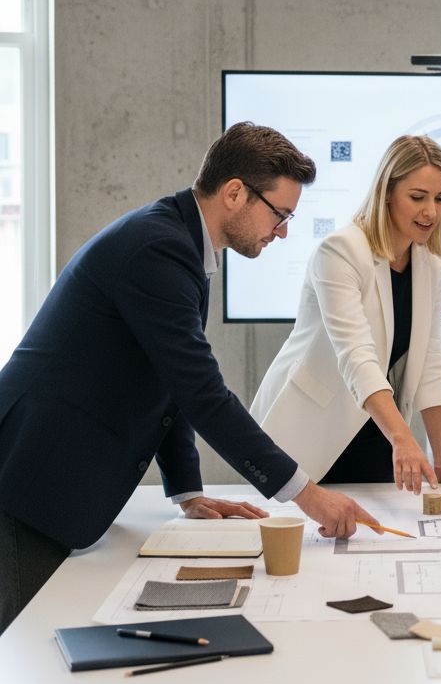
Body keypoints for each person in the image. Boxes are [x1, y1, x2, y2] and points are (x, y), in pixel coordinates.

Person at [0, 122, 381, 635]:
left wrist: (187, 492)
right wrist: (307, 494)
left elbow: (171, 383)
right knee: (17, 643)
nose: (283, 232)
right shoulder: (157, 249)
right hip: (30, 475)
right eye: (280, 214)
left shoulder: (178, 244)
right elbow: (202, 393)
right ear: (234, 193)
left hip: (51, 474)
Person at [252, 135, 441, 493]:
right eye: (418, 197)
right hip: (309, 431)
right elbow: (356, 355)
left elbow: (429, 359)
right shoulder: (341, 251)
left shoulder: (430, 263)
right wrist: (402, 437)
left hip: (377, 429)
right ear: (387, 193)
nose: (431, 211)